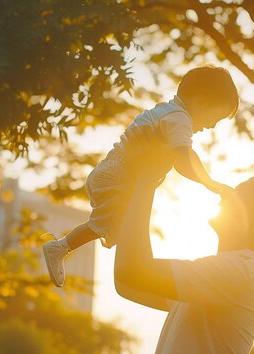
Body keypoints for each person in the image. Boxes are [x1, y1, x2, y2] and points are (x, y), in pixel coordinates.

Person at [43, 65, 240, 287]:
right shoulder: (179, 118)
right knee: (107, 225)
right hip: (117, 177)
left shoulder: (165, 110)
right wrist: (210, 183)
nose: (212, 126)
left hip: (113, 172)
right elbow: (184, 158)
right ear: (201, 102)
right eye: (216, 118)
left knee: (118, 227)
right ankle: (60, 247)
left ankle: (68, 249)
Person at [113, 138, 254, 354]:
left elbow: (133, 273)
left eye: (241, 190)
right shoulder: (213, 279)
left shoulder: (241, 271)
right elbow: (126, 283)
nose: (228, 191)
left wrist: (146, 178)